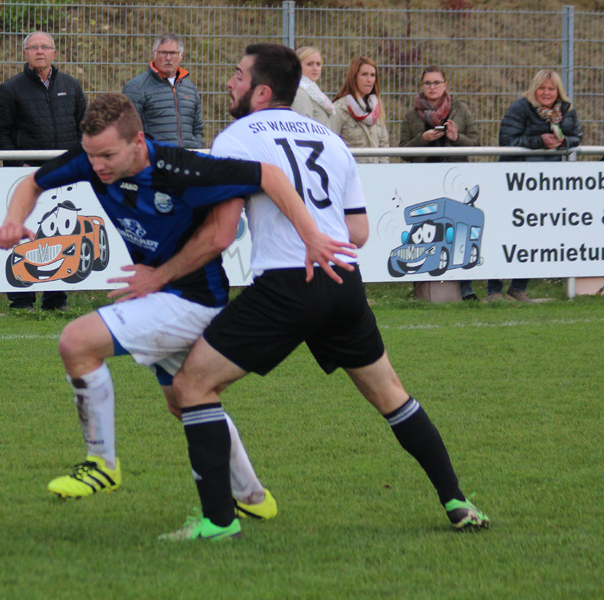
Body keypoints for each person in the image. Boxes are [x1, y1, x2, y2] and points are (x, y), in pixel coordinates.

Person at [160, 44, 490, 541]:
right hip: (343, 282)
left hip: (288, 284)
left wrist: (159, 274)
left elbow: (221, 234)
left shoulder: (236, 137)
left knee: (190, 387)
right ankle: (457, 499)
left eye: (237, 75)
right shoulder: (329, 138)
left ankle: (218, 521)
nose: (230, 83)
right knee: (392, 396)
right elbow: (357, 232)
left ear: (261, 90)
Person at [0, 93, 354, 517]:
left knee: (76, 341)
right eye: (91, 156)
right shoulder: (92, 157)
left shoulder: (185, 170)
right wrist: (14, 220)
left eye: (108, 155)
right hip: (163, 297)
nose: (97, 167)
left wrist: (311, 235)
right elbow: (34, 182)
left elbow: (272, 177)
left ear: (138, 142)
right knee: (185, 401)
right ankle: (254, 498)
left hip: (195, 300)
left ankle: (101, 465)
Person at [0, 31, 87, 312]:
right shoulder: (11, 89)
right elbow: (0, 130)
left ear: (54, 53)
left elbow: (84, 126)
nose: (40, 52)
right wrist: (16, 164)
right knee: (27, 235)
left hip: (64, 175)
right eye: (34, 48)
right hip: (27, 178)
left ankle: (56, 299)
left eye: (45, 47)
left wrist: (77, 161)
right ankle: (21, 300)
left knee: (60, 235)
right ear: (25, 54)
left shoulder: (71, 85)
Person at [490, 69, 582, 303]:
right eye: (542, 88)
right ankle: (494, 290)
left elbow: (577, 137)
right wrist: (538, 142)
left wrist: (564, 142)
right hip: (515, 181)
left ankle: (518, 287)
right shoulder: (521, 107)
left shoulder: (567, 110)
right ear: (534, 89)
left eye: (551, 88)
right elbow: (507, 141)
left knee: (535, 234)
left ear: (558, 90)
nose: (546, 93)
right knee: (504, 233)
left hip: (548, 184)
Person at [398, 66, 481, 301]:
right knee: (422, 232)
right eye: (427, 83)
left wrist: (456, 138)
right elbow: (403, 151)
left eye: (436, 82)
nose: (432, 87)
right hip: (423, 180)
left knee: (460, 230)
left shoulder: (460, 110)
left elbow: (476, 144)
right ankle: (420, 284)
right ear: (422, 86)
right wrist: (421, 140)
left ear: (445, 85)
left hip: (455, 179)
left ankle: (466, 286)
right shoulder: (412, 115)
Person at [122, 33, 203, 149]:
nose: (168, 58)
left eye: (173, 53)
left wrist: (196, 146)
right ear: (154, 55)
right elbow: (129, 129)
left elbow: (197, 127)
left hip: (187, 160)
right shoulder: (136, 88)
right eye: (163, 53)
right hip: (156, 161)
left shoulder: (190, 88)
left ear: (181, 56)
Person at [329, 56, 389, 164]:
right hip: (350, 175)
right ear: (354, 77)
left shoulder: (376, 109)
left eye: (372, 75)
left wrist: (383, 172)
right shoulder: (339, 109)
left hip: (376, 175)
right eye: (364, 74)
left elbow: (383, 145)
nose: (369, 80)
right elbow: (331, 147)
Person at [290, 47, 336, 128]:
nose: (315, 68)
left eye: (318, 64)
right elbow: (302, 128)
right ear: (297, 66)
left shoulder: (314, 92)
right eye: (310, 64)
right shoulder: (300, 93)